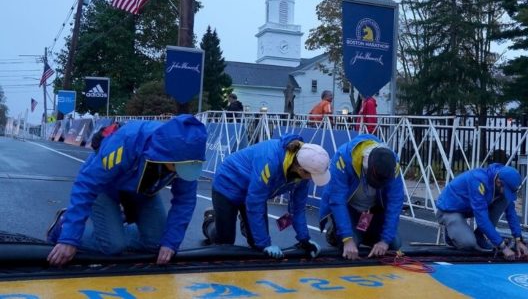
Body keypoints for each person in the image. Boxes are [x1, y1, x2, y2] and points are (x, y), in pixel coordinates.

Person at [46, 114, 207, 267]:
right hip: (105, 188)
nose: (180, 173)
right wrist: (69, 238)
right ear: (166, 155)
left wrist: (170, 243)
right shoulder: (127, 141)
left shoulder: (188, 157)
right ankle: (61, 226)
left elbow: (185, 201)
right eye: (177, 167)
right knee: (113, 246)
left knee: (159, 242)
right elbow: (87, 184)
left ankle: (113, 226)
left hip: (142, 190)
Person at [201, 135, 330, 258]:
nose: (312, 180)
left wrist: (305, 239)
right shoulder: (270, 161)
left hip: (254, 191)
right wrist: (265, 244)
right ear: (301, 170)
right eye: (312, 177)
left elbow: (298, 208)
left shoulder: (304, 171)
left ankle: (246, 221)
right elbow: (255, 202)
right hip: (228, 185)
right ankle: (210, 220)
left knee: (255, 243)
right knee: (225, 242)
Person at [319, 134, 404, 260]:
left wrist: (384, 241)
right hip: (350, 210)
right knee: (349, 248)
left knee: (394, 244)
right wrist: (347, 239)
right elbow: (337, 200)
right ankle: (338, 232)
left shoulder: (392, 164)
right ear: (366, 165)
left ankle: (363, 234)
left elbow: (395, 202)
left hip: (373, 211)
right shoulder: (343, 158)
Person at [435, 164, 528, 260]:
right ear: (498, 182)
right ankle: (450, 234)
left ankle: (479, 236)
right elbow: (481, 219)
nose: (507, 193)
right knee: (468, 244)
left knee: (505, 200)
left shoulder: (502, 178)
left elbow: (511, 213)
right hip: (449, 210)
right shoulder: (478, 181)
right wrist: (503, 247)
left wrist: (518, 240)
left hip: (468, 208)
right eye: (506, 190)